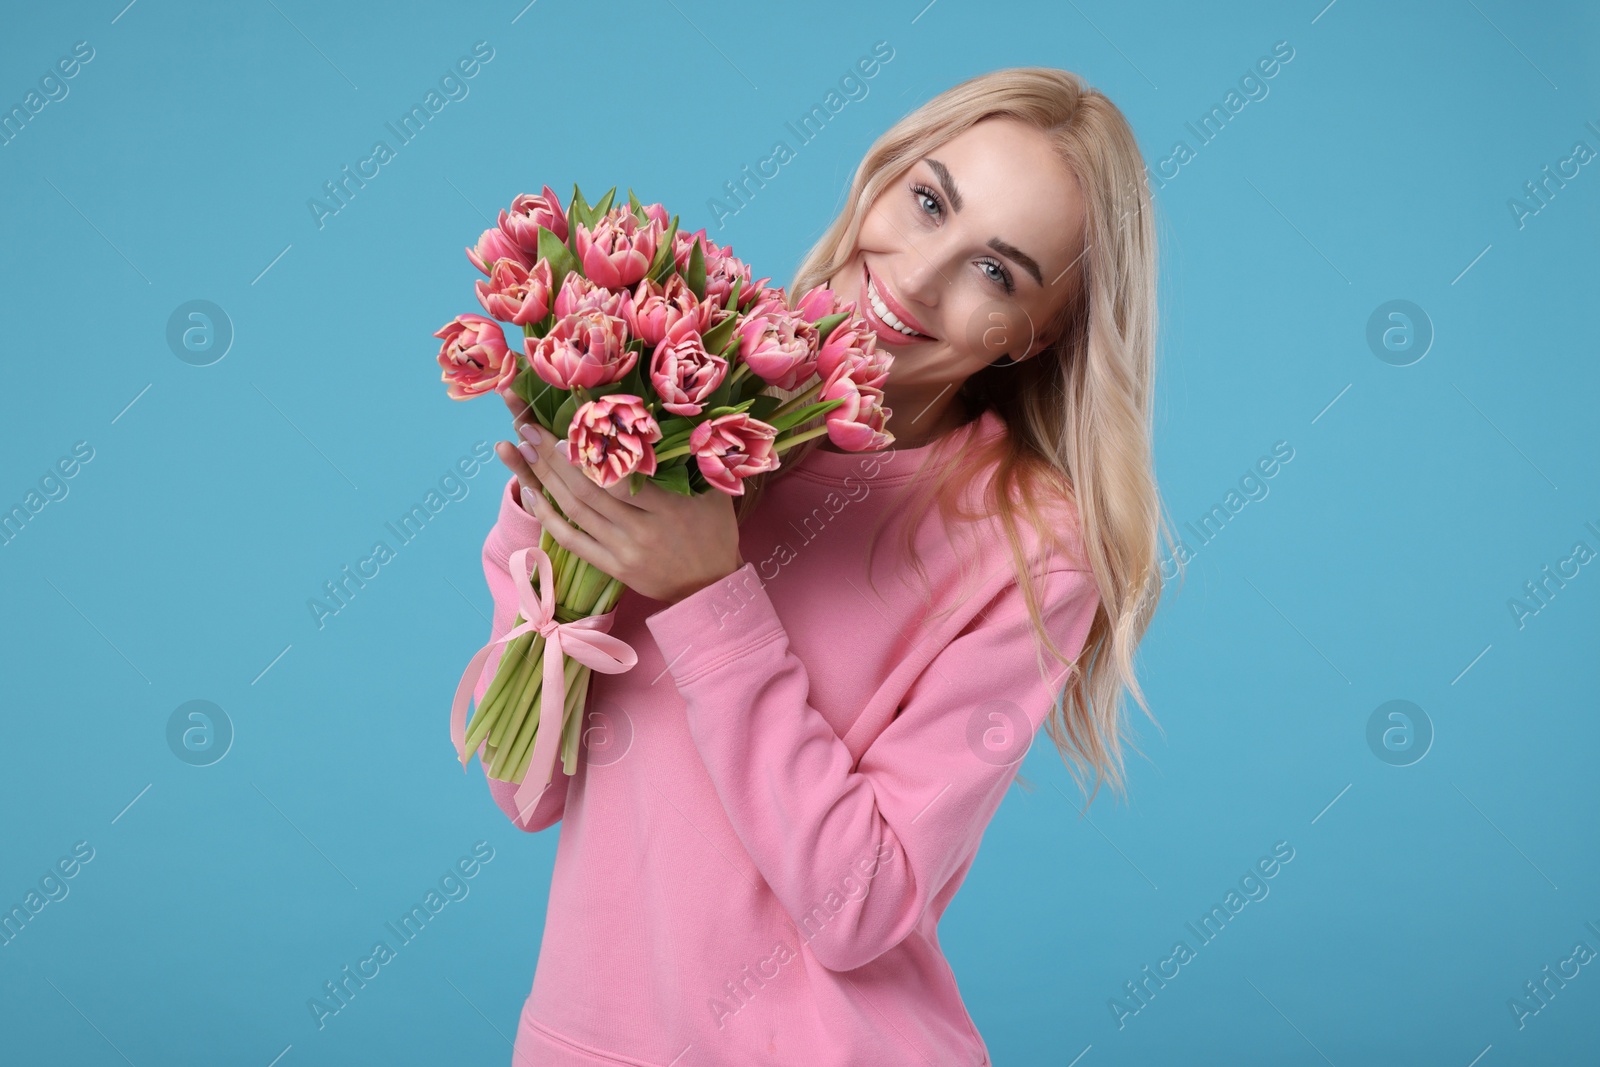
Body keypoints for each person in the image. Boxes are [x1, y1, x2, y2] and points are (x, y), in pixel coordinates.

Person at [470, 66, 1170, 1067]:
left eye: (997, 273)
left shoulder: (1032, 545)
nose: (918, 277)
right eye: (928, 201)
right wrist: (554, 507)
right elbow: (525, 786)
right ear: (878, 178)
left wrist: (710, 596)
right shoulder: (687, 406)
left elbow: (862, 905)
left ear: (1040, 332)